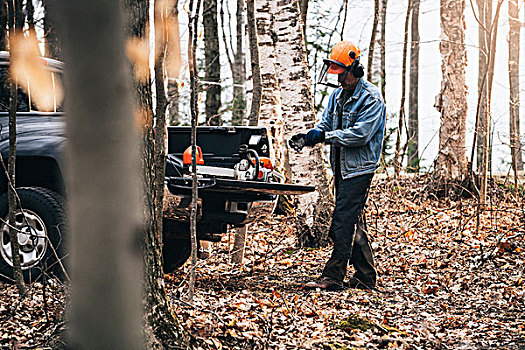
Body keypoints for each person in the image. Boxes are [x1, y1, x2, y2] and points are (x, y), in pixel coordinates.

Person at [289, 41, 386, 291]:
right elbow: (326, 125)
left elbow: (360, 135)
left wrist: (326, 137)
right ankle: (365, 276)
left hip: (360, 169)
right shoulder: (337, 97)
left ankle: (333, 276)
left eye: (341, 73)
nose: (338, 79)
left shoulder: (371, 98)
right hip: (341, 168)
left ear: (354, 69)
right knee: (354, 221)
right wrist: (310, 135)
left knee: (342, 223)